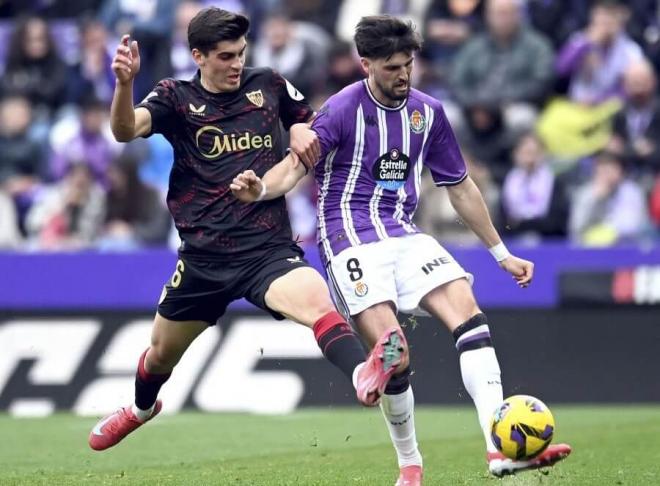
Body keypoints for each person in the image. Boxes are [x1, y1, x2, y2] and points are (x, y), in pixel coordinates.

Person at [231, 15, 572, 484]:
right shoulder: (339, 111)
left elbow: (460, 186)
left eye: (408, 64)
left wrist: (501, 253)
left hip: (404, 233)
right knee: (396, 355)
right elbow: (294, 168)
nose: (404, 75)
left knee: (471, 320)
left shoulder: (428, 112)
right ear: (366, 63)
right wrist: (260, 191)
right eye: (392, 67)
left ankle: (500, 451)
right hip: (348, 236)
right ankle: (410, 463)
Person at [88, 7, 403, 453]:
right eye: (224, 57)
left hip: (265, 247)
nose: (236, 63)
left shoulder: (268, 84)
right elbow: (123, 131)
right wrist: (124, 85)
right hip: (203, 257)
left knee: (318, 303)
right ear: (197, 56)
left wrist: (298, 129)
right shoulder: (175, 98)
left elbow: (309, 121)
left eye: (240, 53)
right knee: (160, 353)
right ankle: (140, 409)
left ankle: (363, 373)